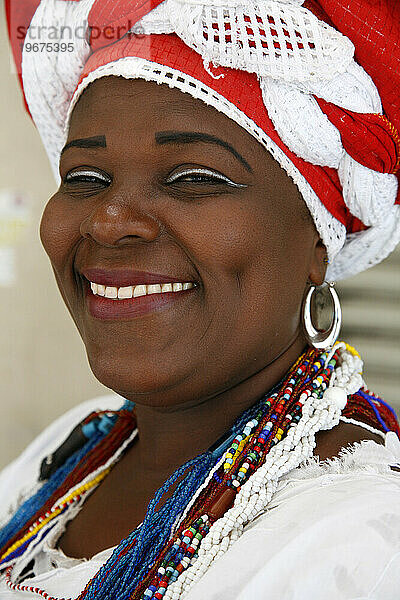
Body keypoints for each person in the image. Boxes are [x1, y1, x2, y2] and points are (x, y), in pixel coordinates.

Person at [1, 0, 400, 598]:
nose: (109, 222)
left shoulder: (356, 546)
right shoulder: (73, 449)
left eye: (193, 179)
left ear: (318, 239)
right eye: (85, 178)